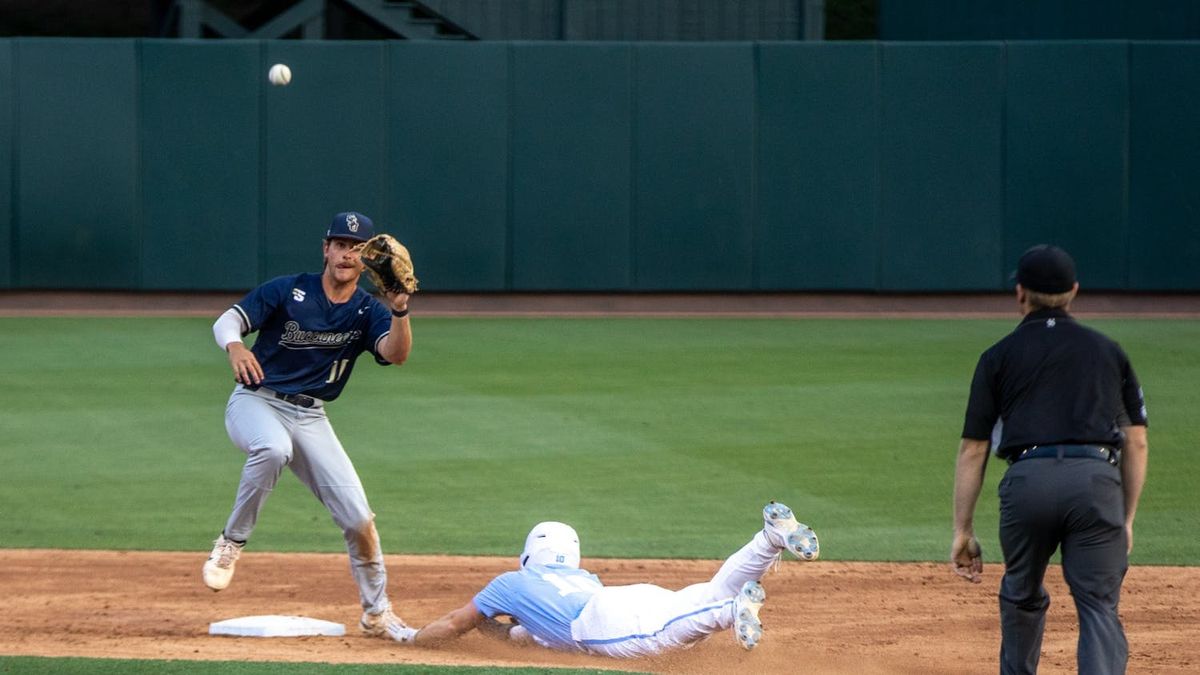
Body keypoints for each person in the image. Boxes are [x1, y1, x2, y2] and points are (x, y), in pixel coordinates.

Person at [203, 211, 415, 641]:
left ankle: (377, 613)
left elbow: (396, 354)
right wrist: (234, 347)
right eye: (340, 244)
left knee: (358, 519)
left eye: (357, 248)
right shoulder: (288, 289)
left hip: (311, 415)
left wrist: (400, 310)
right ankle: (231, 543)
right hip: (255, 402)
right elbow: (226, 320)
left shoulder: (366, 310)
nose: (347, 254)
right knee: (273, 449)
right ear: (326, 249)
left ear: (368, 260)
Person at [952, 244, 1149, 674]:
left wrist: (963, 529)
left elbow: (974, 448)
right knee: (1098, 605)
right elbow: (1136, 442)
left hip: (1028, 484)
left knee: (1021, 593)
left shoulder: (997, 356)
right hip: (1096, 484)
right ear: (1074, 291)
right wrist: (1126, 518)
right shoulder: (1108, 351)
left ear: (1020, 293)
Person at [387, 501, 819, 657]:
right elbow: (522, 637)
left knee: (660, 638)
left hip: (599, 623)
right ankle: (768, 539)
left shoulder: (508, 585)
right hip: (628, 597)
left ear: (527, 554)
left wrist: (411, 637)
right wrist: (495, 628)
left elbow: (451, 625)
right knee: (710, 588)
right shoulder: (583, 577)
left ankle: (731, 612)